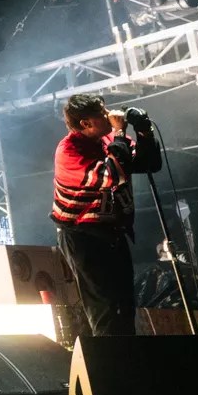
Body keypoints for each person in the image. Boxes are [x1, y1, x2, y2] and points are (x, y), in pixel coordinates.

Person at [51, 93, 161, 338]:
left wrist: (144, 131)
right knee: (106, 309)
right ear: (85, 124)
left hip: (112, 233)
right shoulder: (69, 152)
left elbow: (148, 163)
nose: (108, 115)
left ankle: (128, 364)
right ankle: (109, 369)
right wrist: (121, 133)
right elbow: (113, 175)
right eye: (101, 113)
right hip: (83, 236)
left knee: (125, 307)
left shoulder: (107, 139)